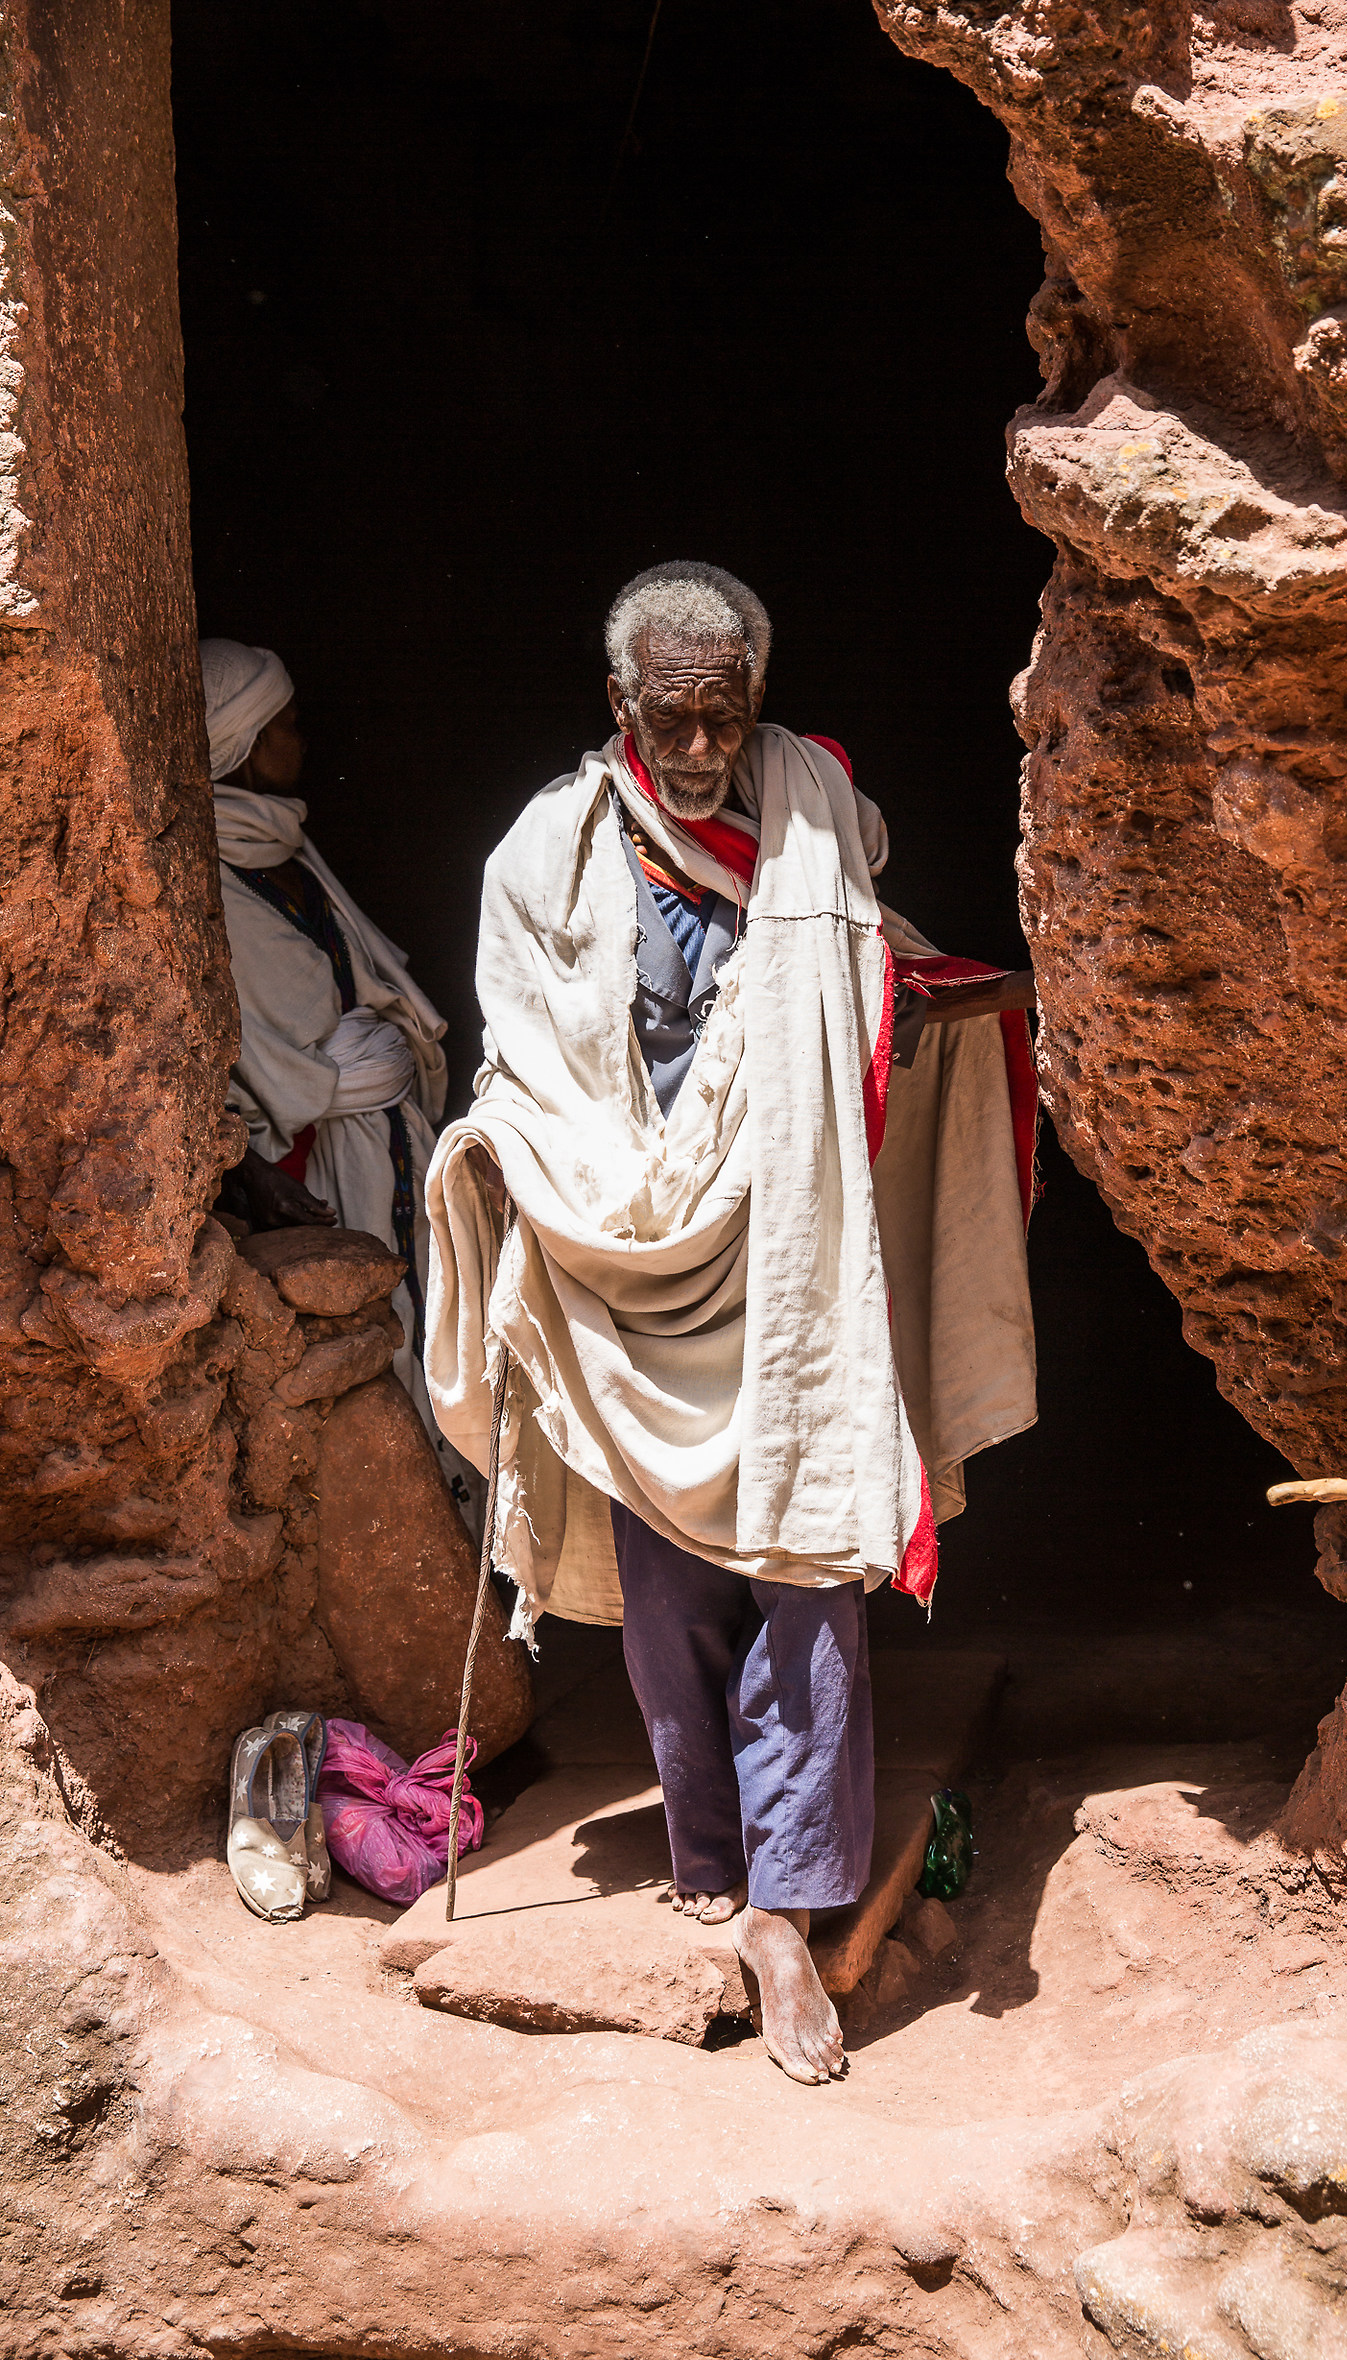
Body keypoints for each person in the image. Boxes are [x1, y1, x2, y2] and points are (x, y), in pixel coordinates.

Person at [426, 563, 1036, 2082]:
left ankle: (790, 1900)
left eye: (727, 715)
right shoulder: (545, 858)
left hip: (790, 1252)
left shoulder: (823, 810)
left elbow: (859, 971)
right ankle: (706, 1839)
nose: (703, 749)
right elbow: (526, 1047)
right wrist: (524, 1156)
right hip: (622, 1255)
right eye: (672, 718)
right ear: (619, 707)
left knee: (810, 1564)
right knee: (669, 1586)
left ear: (758, 702)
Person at [203, 637, 451, 1455]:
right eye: (287, 724)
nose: (301, 742)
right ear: (239, 745)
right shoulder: (204, 877)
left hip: (382, 1140)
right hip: (308, 1161)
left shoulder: (285, 853)